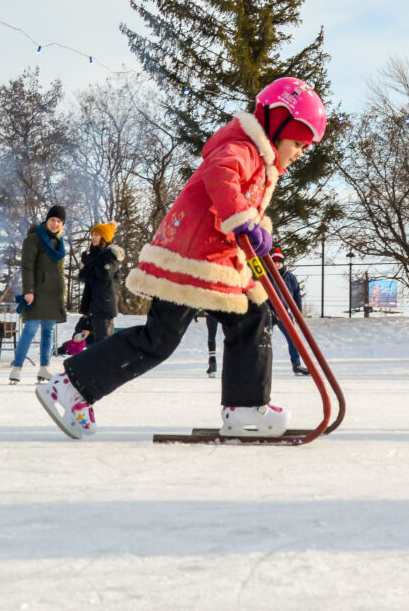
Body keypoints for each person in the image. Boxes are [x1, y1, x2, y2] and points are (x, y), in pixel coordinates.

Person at [38, 78, 326, 439]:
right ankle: (70, 384)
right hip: (191, 260)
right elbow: (221, 176)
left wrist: (255, 228)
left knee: (251, 317)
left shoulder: (257, 157)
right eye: (298, 143)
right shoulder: (243, 149)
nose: (299, 153)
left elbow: (239, 206)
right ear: (278, 124)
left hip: (215, 262)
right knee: (159, 339)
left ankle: (244, 406)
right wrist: (245, 222)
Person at [10, 205, 69, 384]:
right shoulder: (34, 240)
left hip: (53, 293)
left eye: (59, 221)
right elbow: (27, 267)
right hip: (37, 292)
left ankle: (45, 368)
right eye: (53, 220)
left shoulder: (59, 242)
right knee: (30, 329)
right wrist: (28, 291)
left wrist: (63, 291)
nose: (55, 224)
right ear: (46, 220)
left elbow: (60, 270)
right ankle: (17, 368)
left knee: (48, 331)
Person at [77, 222, 123, 345]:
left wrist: (90, 264)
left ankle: (107, 364)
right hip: (93, 305)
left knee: (104, 341)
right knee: (96, 342)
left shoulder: (111, 255)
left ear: (104, 237)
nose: (93, 237)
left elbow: (104, 275)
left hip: (105, 304)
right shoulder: (94, 255)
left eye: (97, 234)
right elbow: (83, 275)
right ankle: (98, 363)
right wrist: (85, 309)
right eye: (93, 234)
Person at [269, 249, 309, 376]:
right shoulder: (267, 275)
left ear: (283, 262)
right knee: (264, 341)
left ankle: (296, 365)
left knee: (293, 339)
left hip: (284, 313)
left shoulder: (290, 277)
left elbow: (297, 295)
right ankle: (261, 365)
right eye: (274, 262)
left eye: (279, 261)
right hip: (269, 313)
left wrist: (298, 312)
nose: (277, 264)